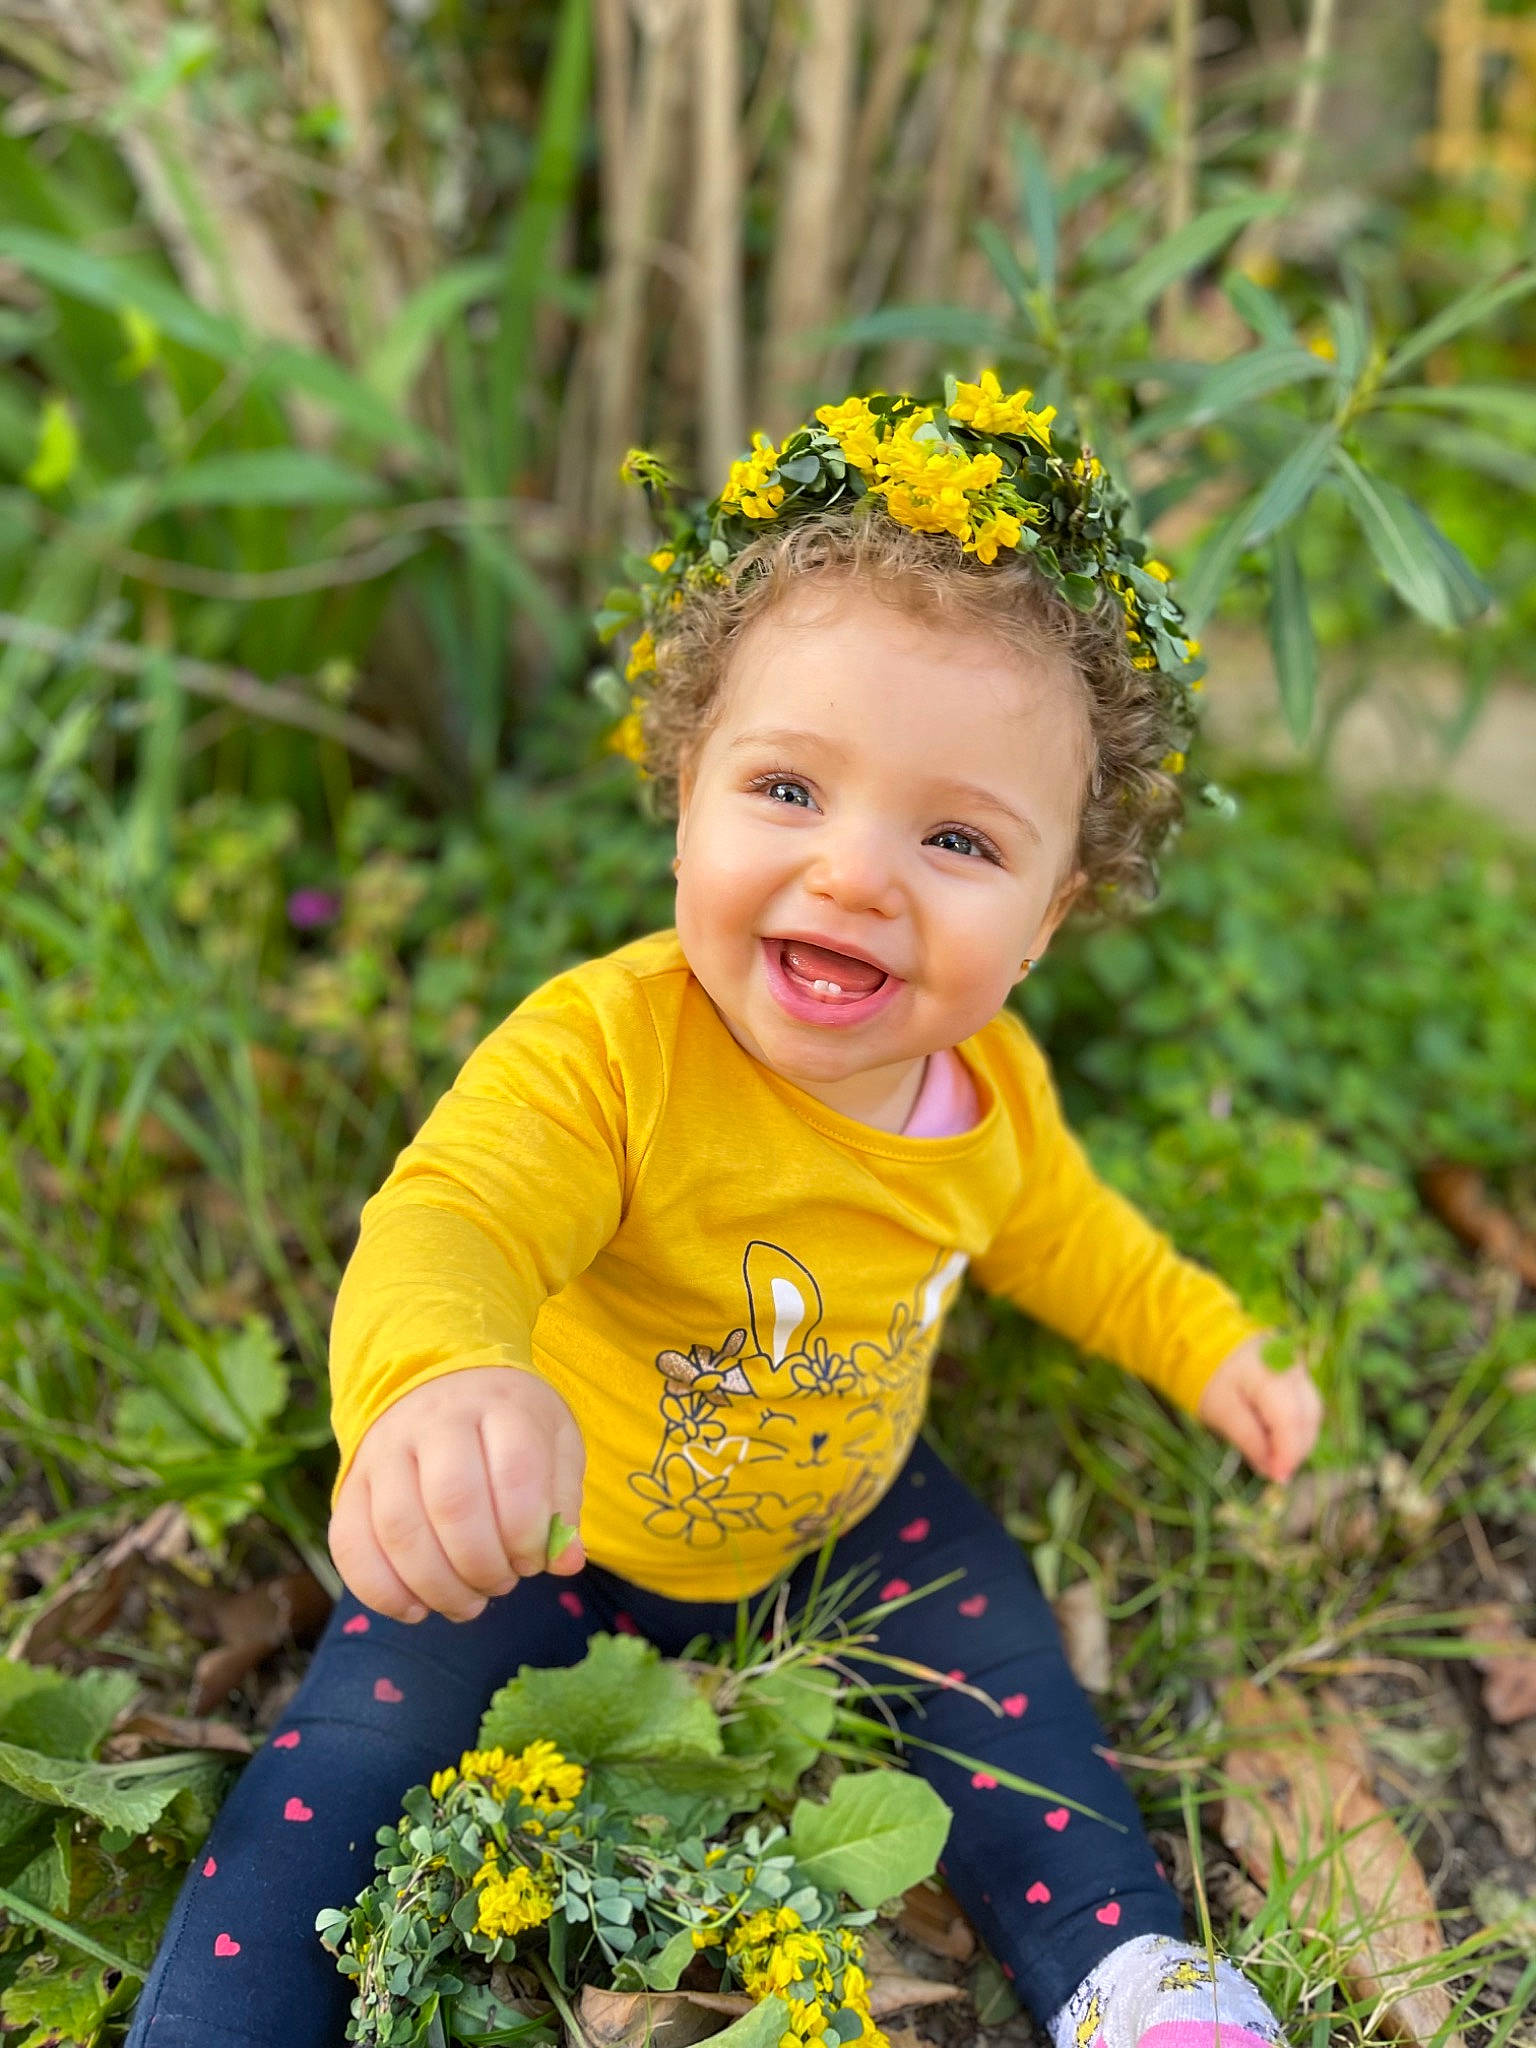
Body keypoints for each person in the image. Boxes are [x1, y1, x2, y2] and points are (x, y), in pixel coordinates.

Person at [126, 378, 1322, 2048]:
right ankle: (223, 2024)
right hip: (545, 1524)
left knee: (1016, 1702)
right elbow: (458, 1215)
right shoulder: (610, 1053)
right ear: (685, 787)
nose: (855, 874)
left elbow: (1068, 1234)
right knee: (350, 1764)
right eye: (786, 792)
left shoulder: (991, 1091)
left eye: (959, 837)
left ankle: (1132, 1973)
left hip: (855, 1506)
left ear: (1045, 922)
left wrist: (1208, 1346)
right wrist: (437, 1379)